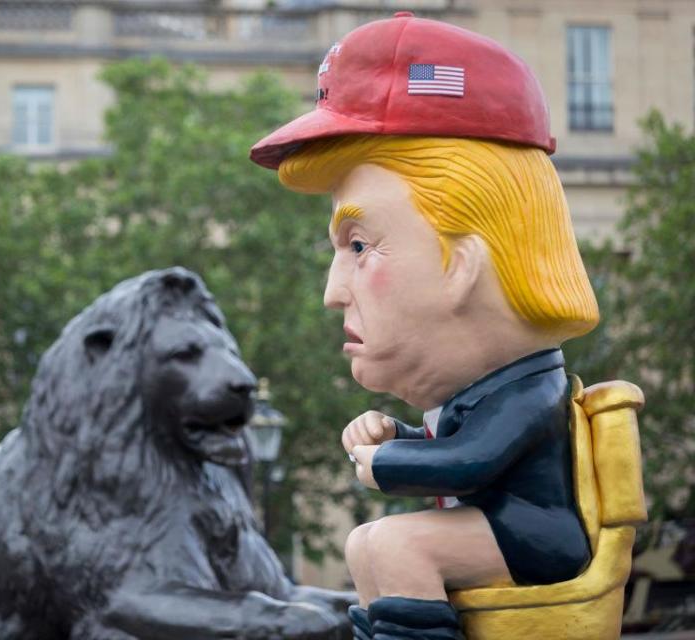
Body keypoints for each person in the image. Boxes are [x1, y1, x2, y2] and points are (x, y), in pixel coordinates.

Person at [250, 12, 599, 640]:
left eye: (358, 245)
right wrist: (402, 436)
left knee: (394, 546)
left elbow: (470, 461)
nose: (333, 293)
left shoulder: (530, 389)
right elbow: (464, 449)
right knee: (366, 545)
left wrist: (387, 463)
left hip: (538, 539)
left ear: (462, 264)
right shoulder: (481, 394)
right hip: (494, 529)